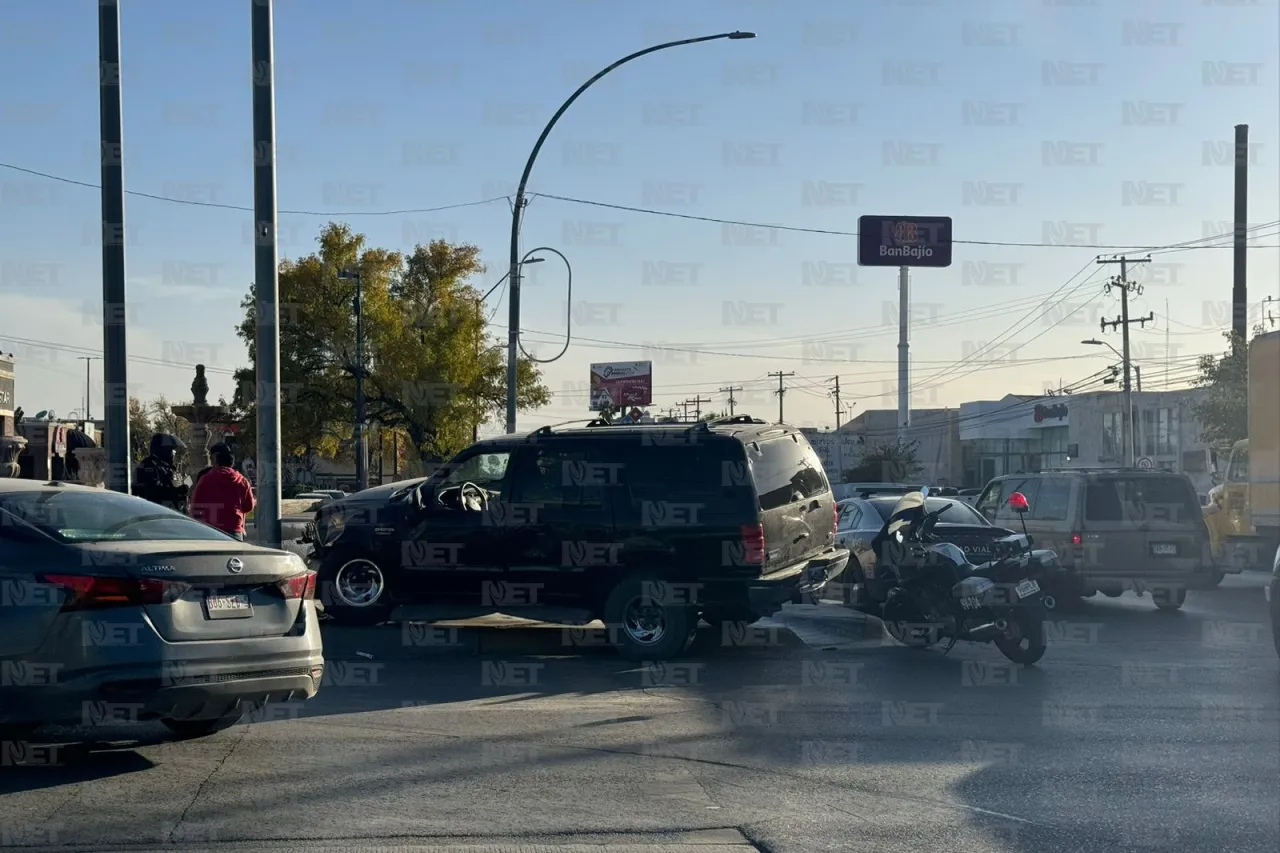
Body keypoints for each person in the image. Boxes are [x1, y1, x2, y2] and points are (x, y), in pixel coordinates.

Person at [188, 443, 256, 540]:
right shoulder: (242, 480)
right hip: (235, 530)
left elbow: (195, 508)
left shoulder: (206, 479)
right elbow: (248, 506)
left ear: (215, 458)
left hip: (210, 531)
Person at [133, 433, 190, 512]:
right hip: (155, 514)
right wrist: (176, 491)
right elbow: (152, 492)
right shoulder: (148, 467)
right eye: (172, 450)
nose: (174, 453)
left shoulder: (170, 468)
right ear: (163, 450)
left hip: (174, 514)